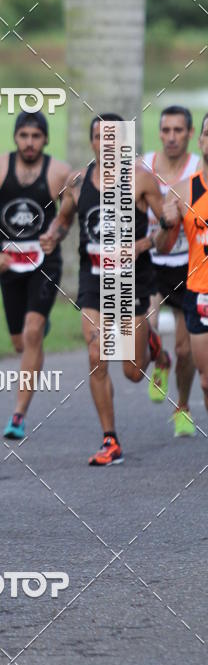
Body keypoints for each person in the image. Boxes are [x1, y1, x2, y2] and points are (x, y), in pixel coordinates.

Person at [44, 113, 171, 465]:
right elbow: (64, 218)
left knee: (133, 371)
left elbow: (168, 225)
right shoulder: (77, 182)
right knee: (97, 354)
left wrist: (144, 244)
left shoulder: (141, 180)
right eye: (100, 137)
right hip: (94, 280)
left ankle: (153, 347)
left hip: (132, 281)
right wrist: (53, 234)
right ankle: (110, 440)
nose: (107, 144)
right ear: (92, 142)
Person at [0, 111, 71, 439]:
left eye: (36, 136)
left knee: (32, 332)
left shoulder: (59, 172)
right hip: (9, 263)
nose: (29, 143)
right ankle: (35, 331)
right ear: (15, 137)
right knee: (19, 343)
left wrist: (55, 233)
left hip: (45, 263)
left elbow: (69, 213)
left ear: (46, 139)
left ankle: (18, 415)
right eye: (24, 136)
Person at [142, 106, 198, 435]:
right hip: (151, 261)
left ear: (190, 134)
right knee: (146, 331)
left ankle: (183, 406)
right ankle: (159, 360)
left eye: (178, 130)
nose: (172, 137)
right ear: (160, 133)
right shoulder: (144, 166)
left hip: (186, 265)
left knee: (185, 349)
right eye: (166, 130)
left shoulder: (197, 169)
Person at [155, 111, 208, 431]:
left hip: (194, 288)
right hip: (198, 292)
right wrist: (166, 223)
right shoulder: (182, 191)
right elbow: (162, 245)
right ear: (201, 140)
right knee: (206, 382)